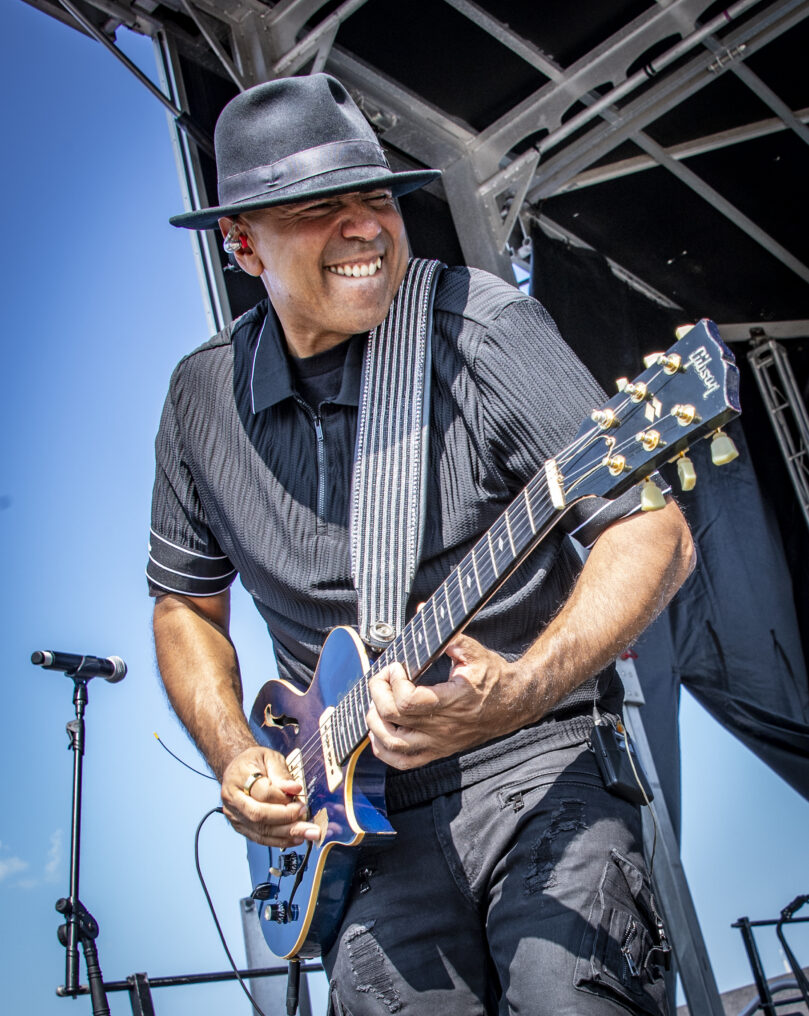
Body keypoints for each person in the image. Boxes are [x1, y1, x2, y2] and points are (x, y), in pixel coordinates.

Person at [148, 74, 694, 1016]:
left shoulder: (481, 327)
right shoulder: (201, 402)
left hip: (534, 759)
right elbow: (183, 607)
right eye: (320, 209)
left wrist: (522, 687)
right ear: (242, 244)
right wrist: (237, 752)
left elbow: (652, 530)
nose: (365, 227)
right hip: (353, 831)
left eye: (375, 198)